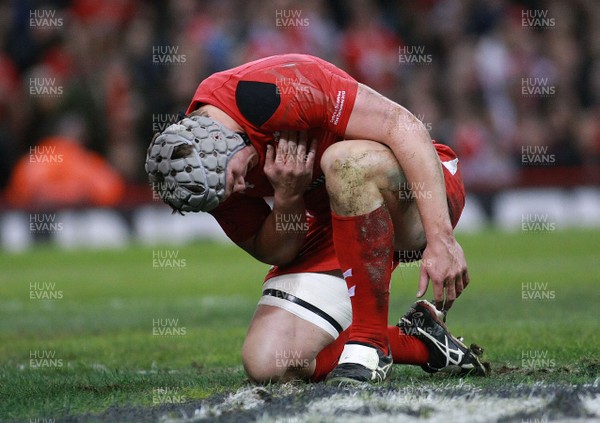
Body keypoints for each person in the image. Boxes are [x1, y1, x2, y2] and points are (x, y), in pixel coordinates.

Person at [145, 54, 487, 384]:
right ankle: (419, 341)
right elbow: (278, 251)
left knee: (343, 162)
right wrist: (287, 197)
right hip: (342, 222)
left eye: (231, 178)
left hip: (419, 186)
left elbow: (403, 126)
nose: (236, 190)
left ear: (218, 141)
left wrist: (441, 239)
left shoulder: (276, 89)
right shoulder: (204, 175)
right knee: (268, 361)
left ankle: (369, 344)